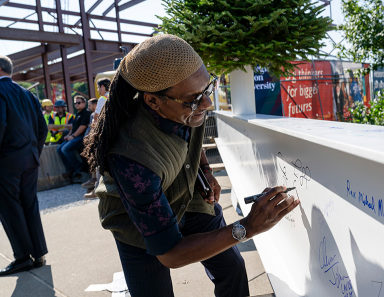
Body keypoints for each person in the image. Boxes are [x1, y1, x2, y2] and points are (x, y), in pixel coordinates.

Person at [83, 35, 299, 297]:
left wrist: (204, 171)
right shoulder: (131, 157)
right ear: (153, 101)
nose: (207, 104)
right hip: (136, 223)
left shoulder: (185, 103)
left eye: (208, 89)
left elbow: (191, 140)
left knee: (232, 268)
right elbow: (170, 254)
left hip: (187, 194)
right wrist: (248, 227)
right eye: (195, 99)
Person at [0, 55, 48, 276]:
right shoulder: (27, 93)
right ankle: (38, 253)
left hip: (7, 158)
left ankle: (22, 257)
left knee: (9, 205)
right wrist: (33, 153)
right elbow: (42, 128)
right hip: (29, 157)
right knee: (29, 203)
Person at [57, 95, 91, 182]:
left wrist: (73, 136)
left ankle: (78, 168)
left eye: (79, 103)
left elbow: (83, 127)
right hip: (74, 136)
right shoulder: (78, 114)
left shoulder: (86, 112)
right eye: (75, 103)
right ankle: (70, 170)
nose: (76, 104)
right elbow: (74, 127)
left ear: (84, 103)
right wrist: (68, 134)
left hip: (80, 137)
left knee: (65, 149)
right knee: (59, 149)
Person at [81, 98, 98, 197]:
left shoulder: (94, 114)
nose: (88, 107)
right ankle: (94, 183)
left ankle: (95, 184)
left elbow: (92, 127)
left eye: (90, 105)